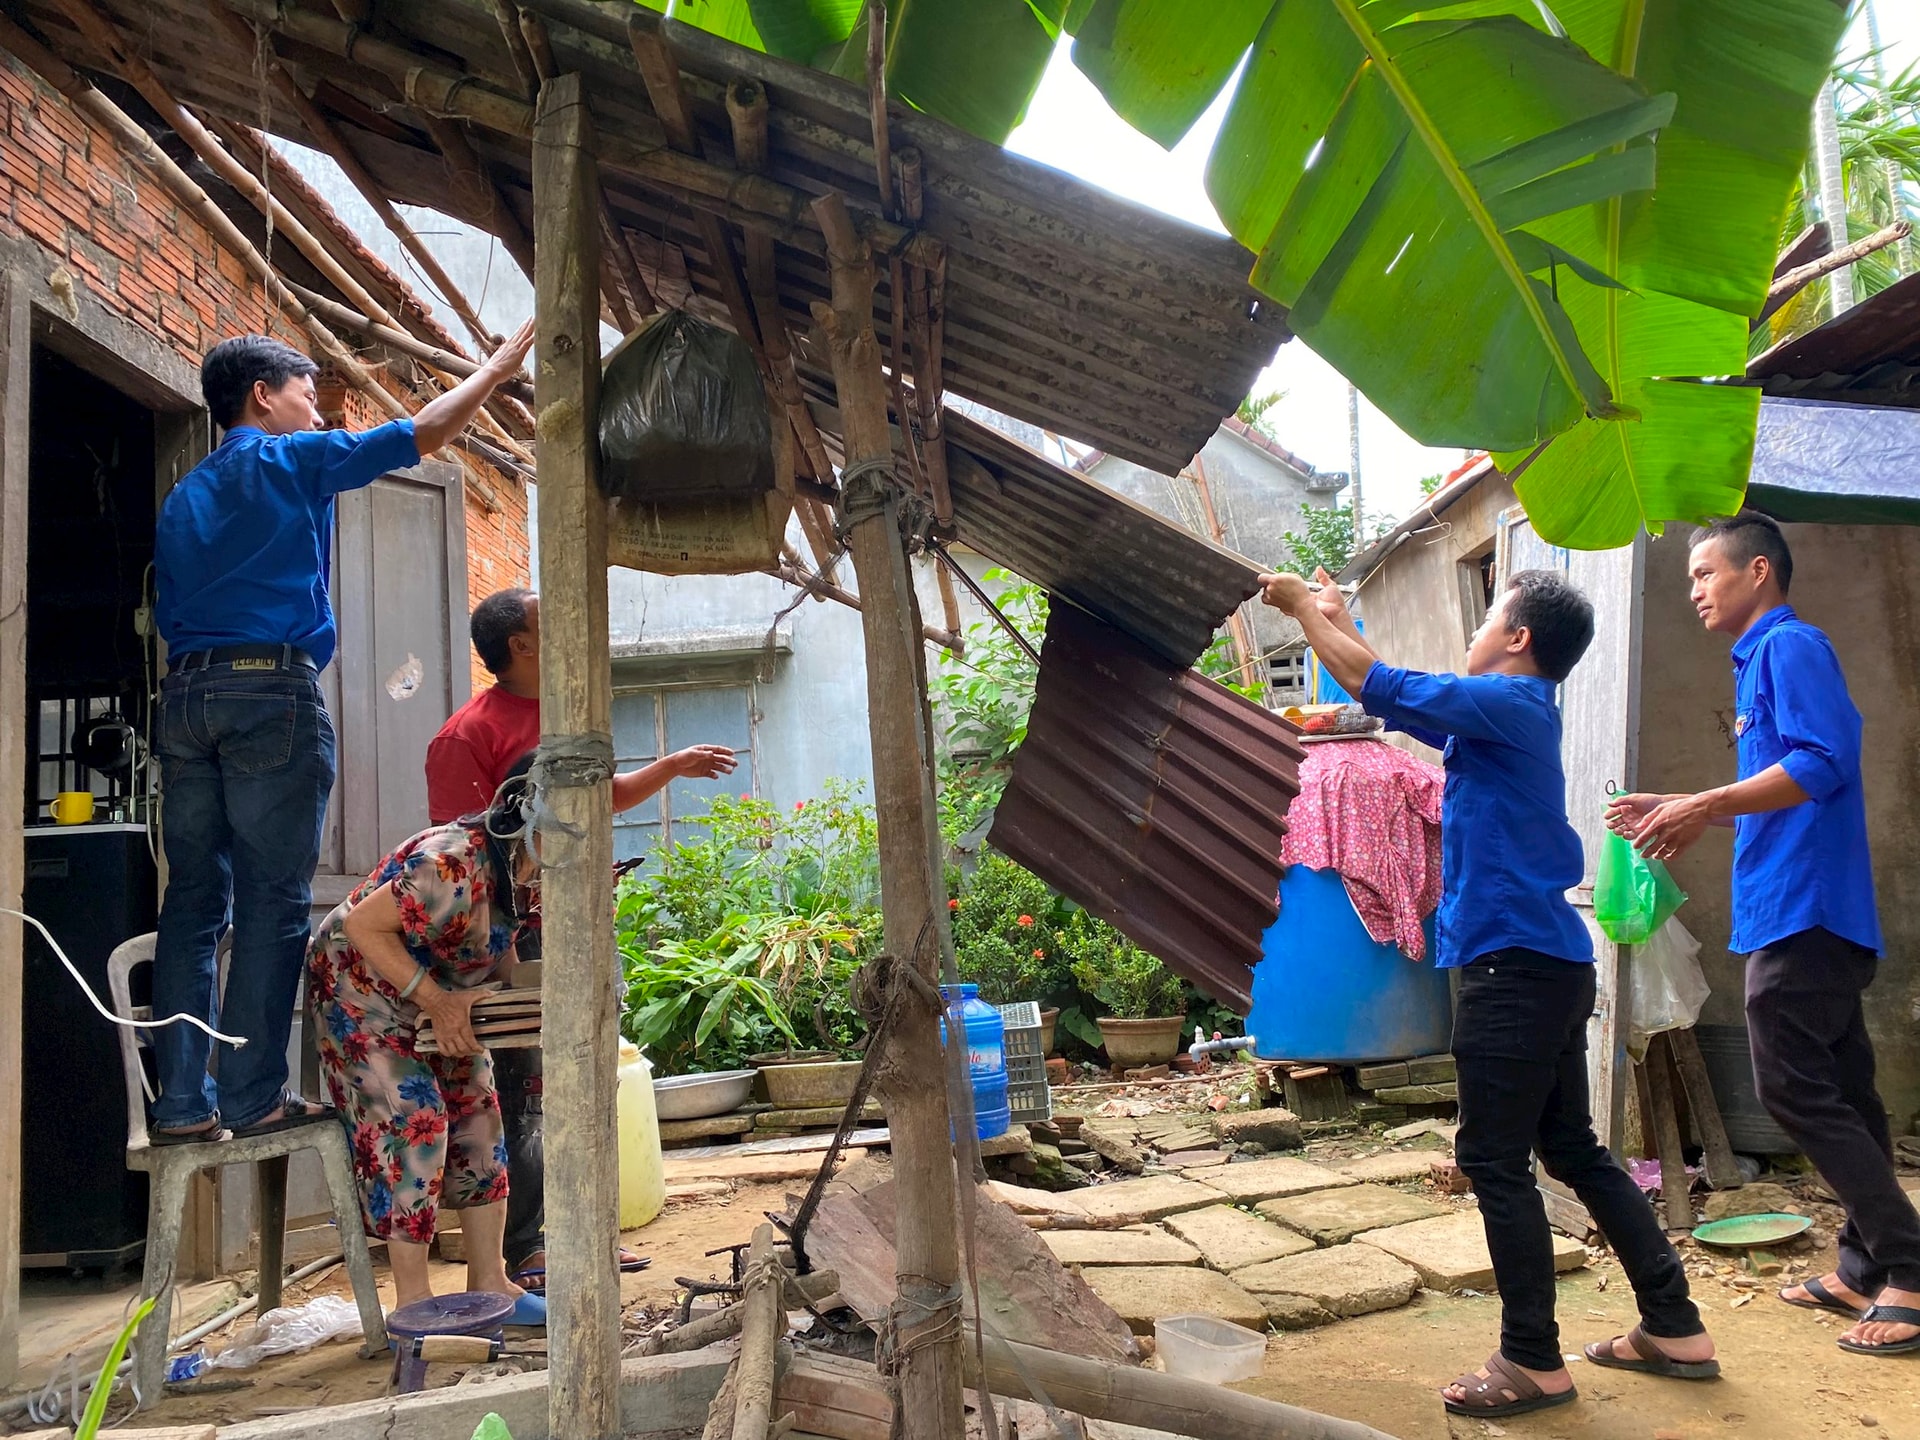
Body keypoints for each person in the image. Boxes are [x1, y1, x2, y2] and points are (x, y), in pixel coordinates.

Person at [1261, 565, 1716, 1419]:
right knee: (1574, 1150)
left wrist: (1299, 612)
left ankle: (1533, 1362)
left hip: (1512, 971)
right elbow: (1392, 692)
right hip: (1543, 965)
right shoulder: (1508, 715)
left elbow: (1376, 686)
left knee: (1494, 1161)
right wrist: (1333, 616)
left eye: (1484, 621)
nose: (1470, 638)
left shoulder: (1508, 706)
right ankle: (1674, 1325)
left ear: (1516, 640)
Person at [150, 324, 536, 1143]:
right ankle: (252, 1096)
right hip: (267, 694)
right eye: (304, 393)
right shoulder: (284, 459)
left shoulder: (183, 495)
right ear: (265, 395)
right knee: (273, 898)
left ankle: (183, 1102)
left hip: (184, 698)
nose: (314, 410)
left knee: (192, 903)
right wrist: (495, 370)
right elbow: (423, 433)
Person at [1608, 512, 1920, 1359]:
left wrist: (1702, 806)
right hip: (1800, 905)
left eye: (1706, 573)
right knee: (1847, 1088)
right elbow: (1781, 787)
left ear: (1758, 572)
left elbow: (1824, 763)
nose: (1695, 590)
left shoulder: (1790, 647)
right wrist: (1683, 806)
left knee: (1789, 1089)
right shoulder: (1757, 664)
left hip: (1807, 909)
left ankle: (1910, 1263)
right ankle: (1863, 1264)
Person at [425, 586, 737, 1290]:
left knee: (588, 1079)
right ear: (522, 647)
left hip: (586, 925)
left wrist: (672, 765)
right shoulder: (464, 736)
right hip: (517, 941)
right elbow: (456, 854)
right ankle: (528, 1247)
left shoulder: (569, 716)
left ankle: (584, 1232)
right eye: (548, 614)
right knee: (524, 1088)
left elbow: (604, 796)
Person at [308, 754, 544, 1324]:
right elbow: (363, 926)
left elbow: (498, 943)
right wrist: (436, 1001)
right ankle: (412, 1303)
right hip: (361, 992)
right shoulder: (451, 864)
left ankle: (493, 1284)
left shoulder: (522, 871)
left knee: (482, 1115)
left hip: (439, 994)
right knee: (416, 1120)